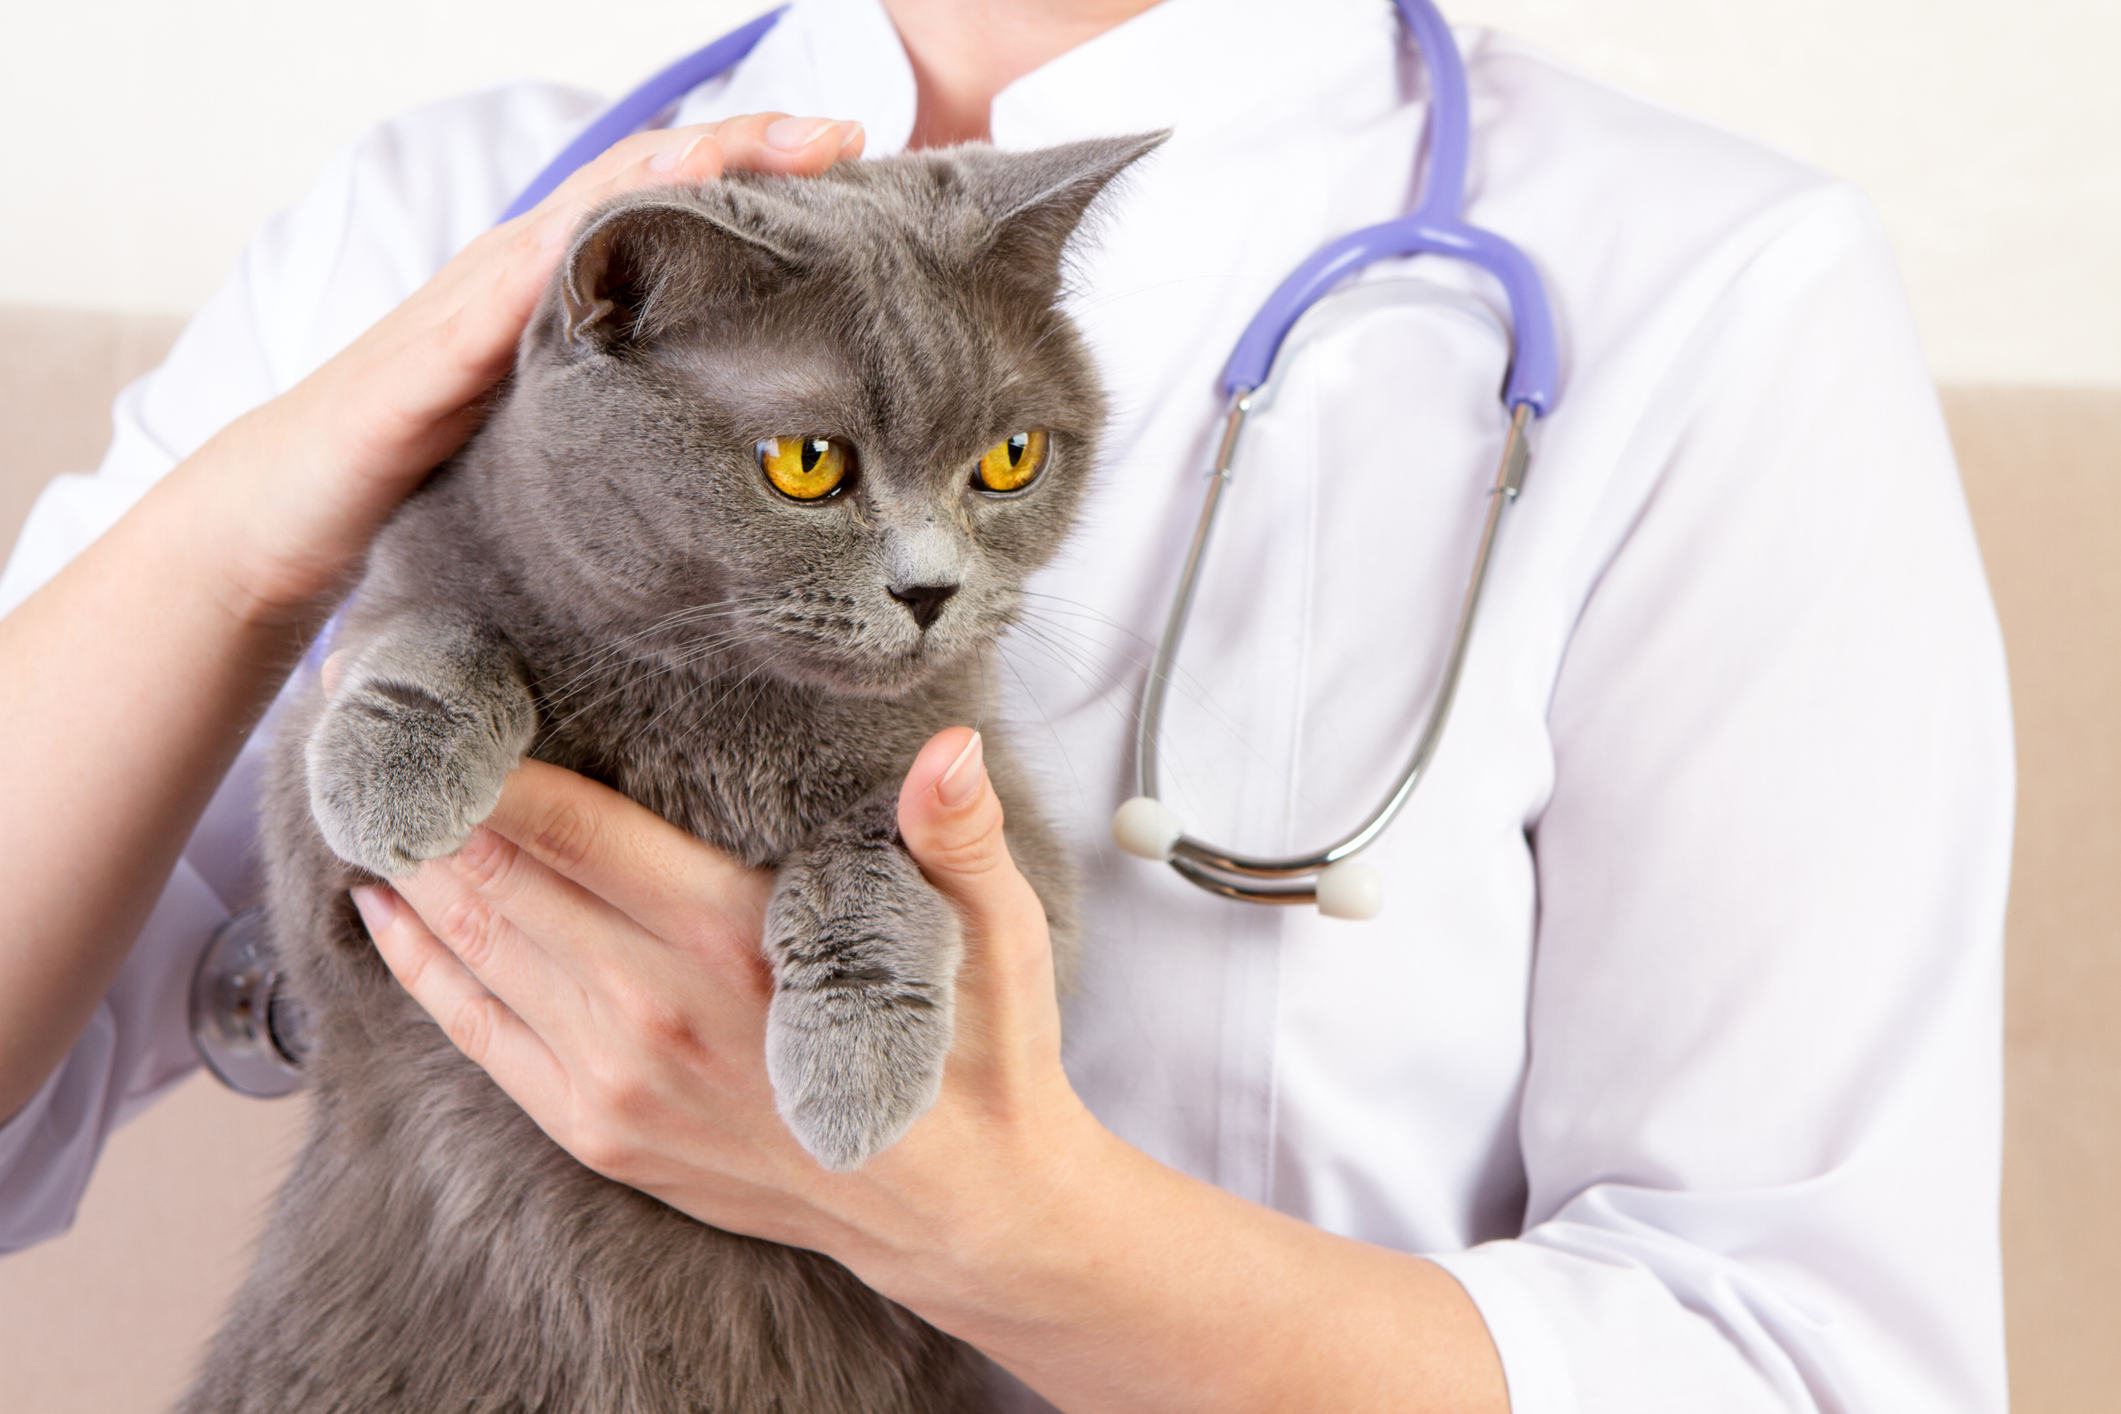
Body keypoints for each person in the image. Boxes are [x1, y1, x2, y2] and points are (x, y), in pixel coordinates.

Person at [0, 0, 2013, 1409]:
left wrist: (1011, 1229)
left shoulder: (1707, 290)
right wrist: (248, 536)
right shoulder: (448, 209)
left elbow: (1803, 1363)